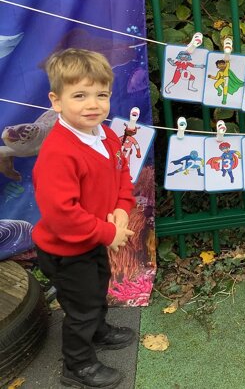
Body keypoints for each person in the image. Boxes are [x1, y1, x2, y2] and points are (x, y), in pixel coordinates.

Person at [32, 48, 137, 388]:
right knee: (82, 306)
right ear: (56, 101)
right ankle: (77, 365)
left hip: (93, 239)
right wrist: (108, 233)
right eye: (79, 95)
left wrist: (121, 208)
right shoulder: (59, 152)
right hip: (66, 249)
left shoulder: (106, 135)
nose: (93, 104)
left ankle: (98, 330)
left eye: (101, 95)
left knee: (97, 288)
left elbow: (122, 173)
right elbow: (61, 214)